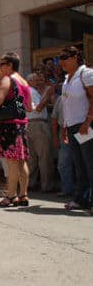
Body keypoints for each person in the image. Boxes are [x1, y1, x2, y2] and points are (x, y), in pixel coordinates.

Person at [0, 52, 32, 207]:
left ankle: (10, 196)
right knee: (21, 161)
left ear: (10, 65)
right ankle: (23, 194)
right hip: (22, 123)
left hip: (9, 125)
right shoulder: (24, 82)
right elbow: (29, 107)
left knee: (11, 162)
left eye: (2, 64)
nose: (0, 67)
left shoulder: (8, 79)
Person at [59, 46, 93, 214]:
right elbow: (67, 105)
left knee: (90, 163)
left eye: (65, 57)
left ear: (76, 57)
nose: (62, 61)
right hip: (72, 126)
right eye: (60, 57)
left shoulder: (85, 73)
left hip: (85, 125)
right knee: (79, 165)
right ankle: (82, 199)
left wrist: (88, 122)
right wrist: (65, 127)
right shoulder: (66, 79)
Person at [25, 73, 55, 192]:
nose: (39, 82)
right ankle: (46, 185)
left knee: (32, 158)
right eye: (36, 80)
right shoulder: (32, 91)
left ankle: (30, 183)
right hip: (38, 124)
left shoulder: (28, 91)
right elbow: (38, 108)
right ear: (30, 81)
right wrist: (48, 94)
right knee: (44, 156)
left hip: (29, 124)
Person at [51, 95, 74, 197]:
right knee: (63, 164)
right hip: (64, 132)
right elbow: (54, 119)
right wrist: (55, 137)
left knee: (84, 163)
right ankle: (67, 189)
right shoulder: (60, 98)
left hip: (82, 131)